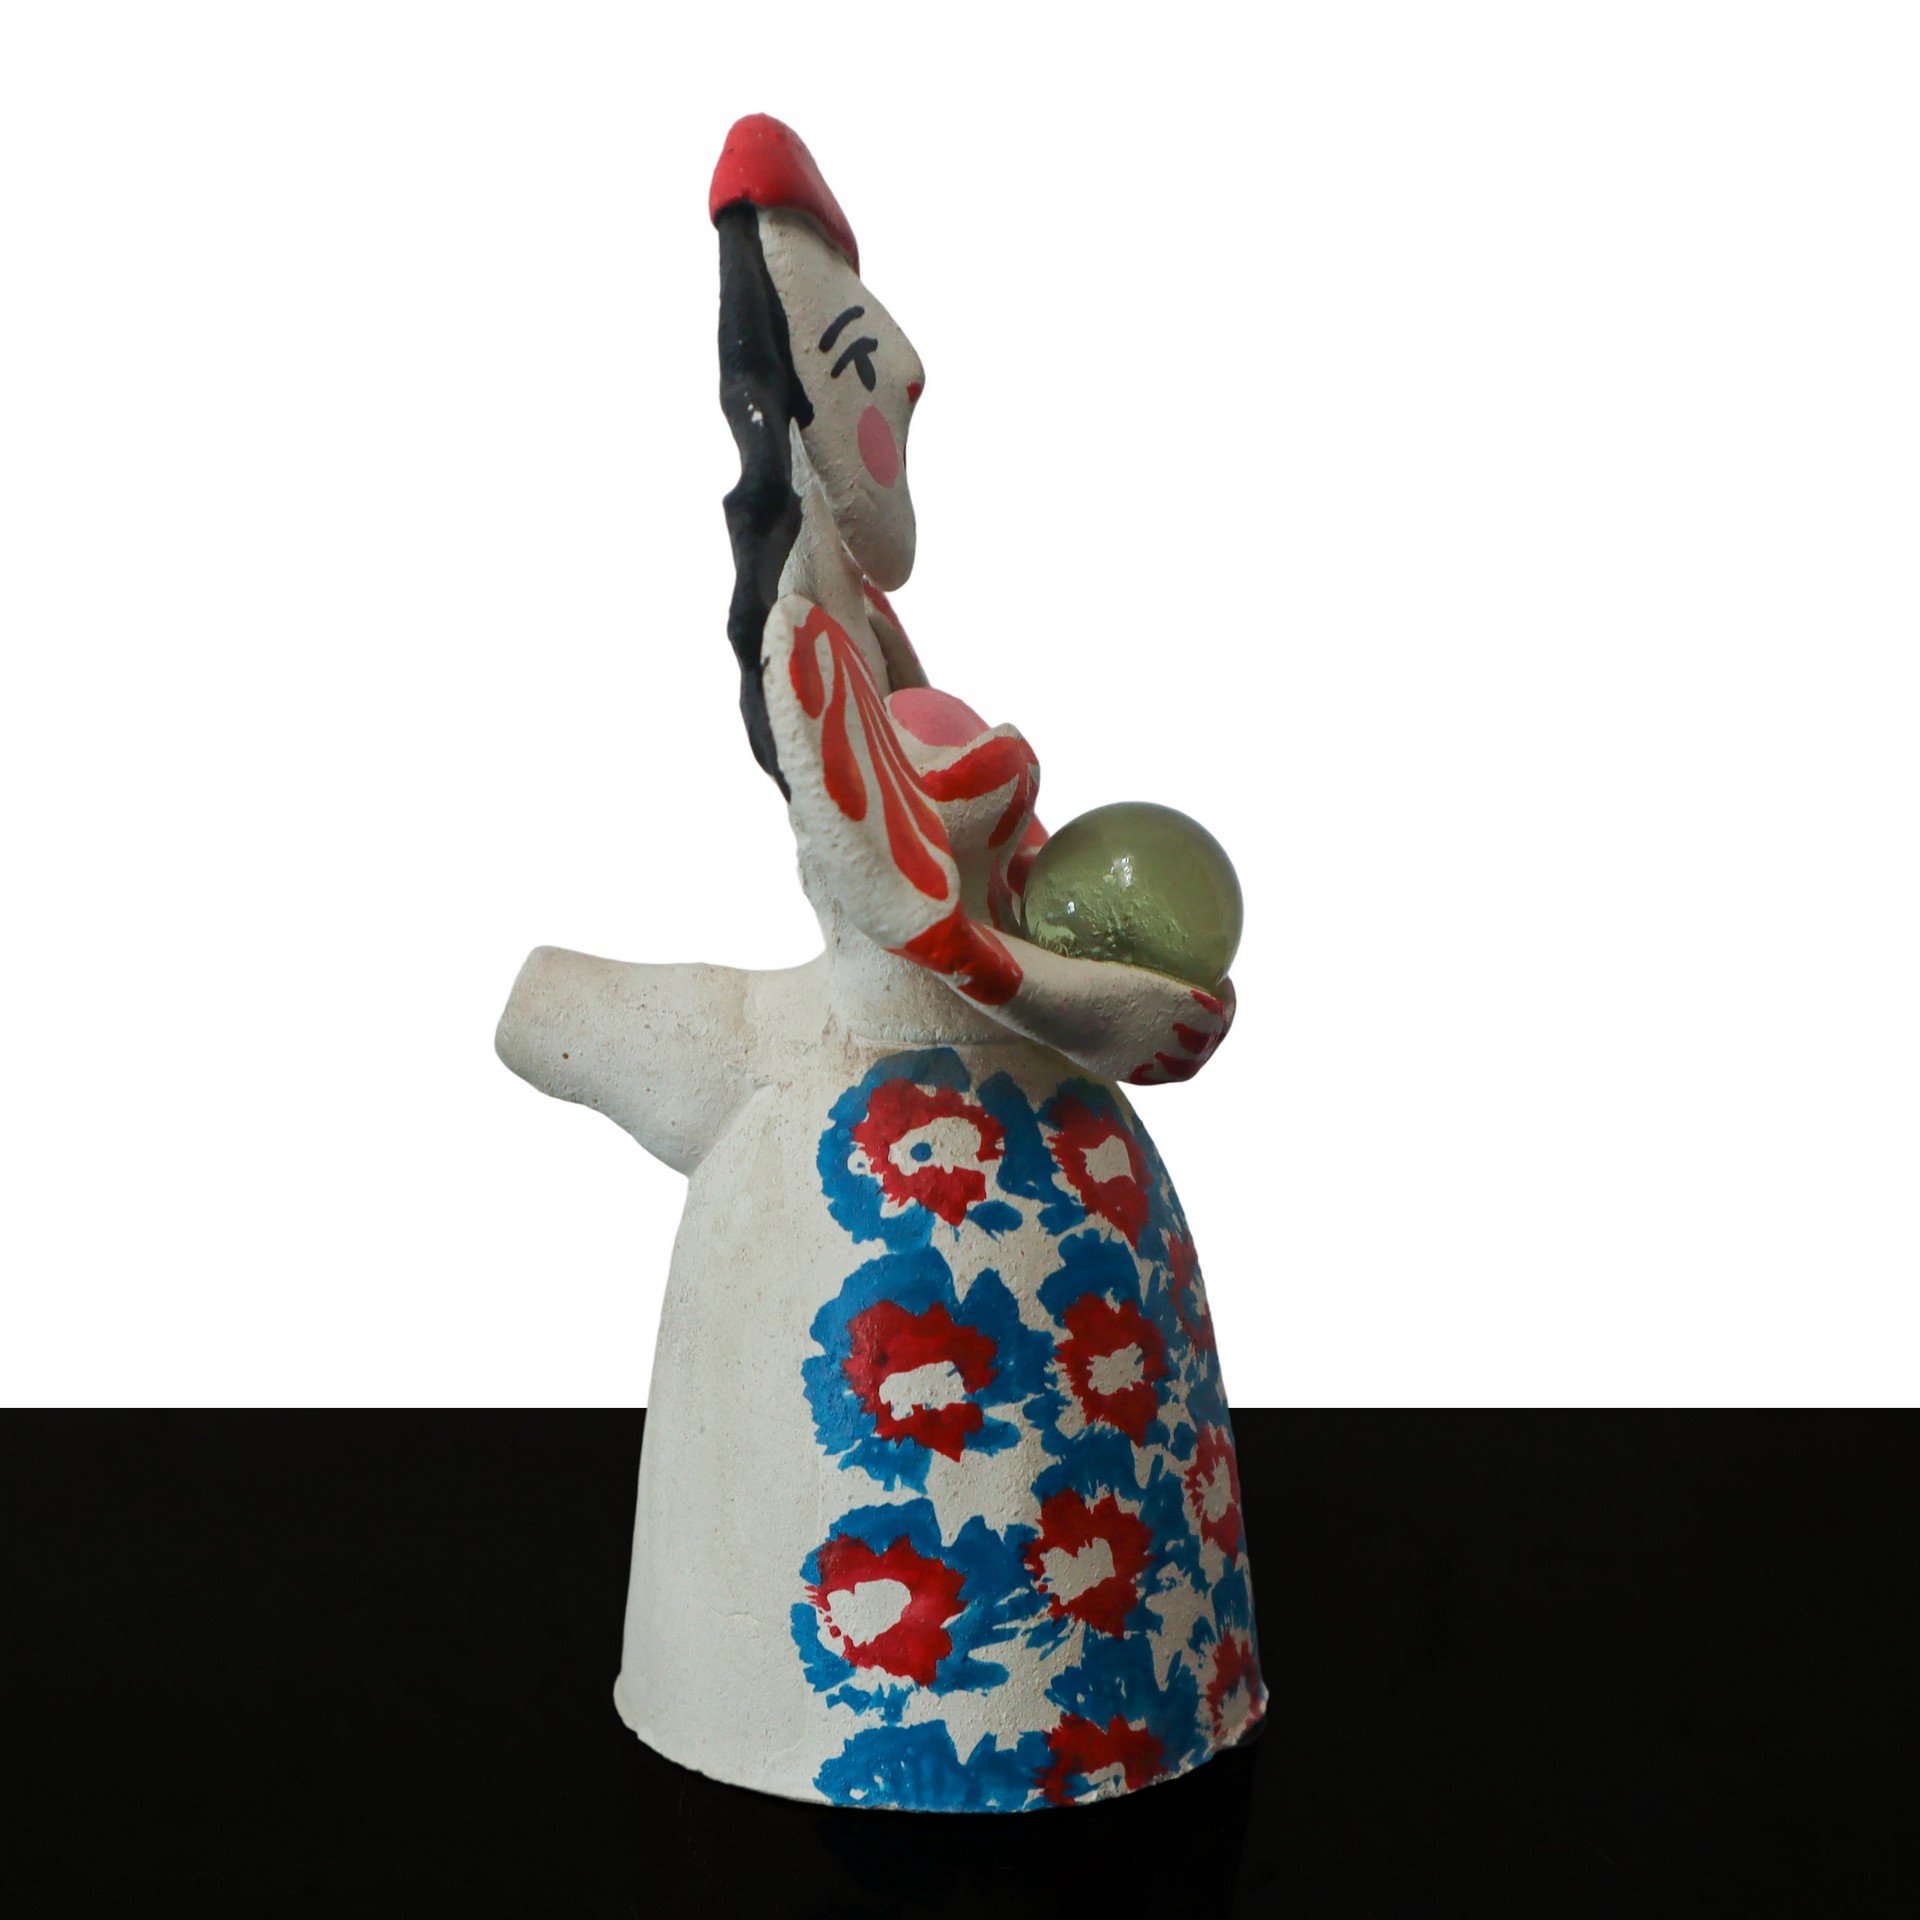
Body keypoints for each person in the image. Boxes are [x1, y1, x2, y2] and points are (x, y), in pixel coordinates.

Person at [496, 114, 1263, 1811]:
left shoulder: (859, 627)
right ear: (804, 394)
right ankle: (883, 1710)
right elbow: (913, 917)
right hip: (868, 1106)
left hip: (934, 1110)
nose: (901, 397)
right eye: (861, 367)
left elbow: (943, 909)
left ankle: (1080, 1706)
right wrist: (1107, 1006)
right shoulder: (810, 643)